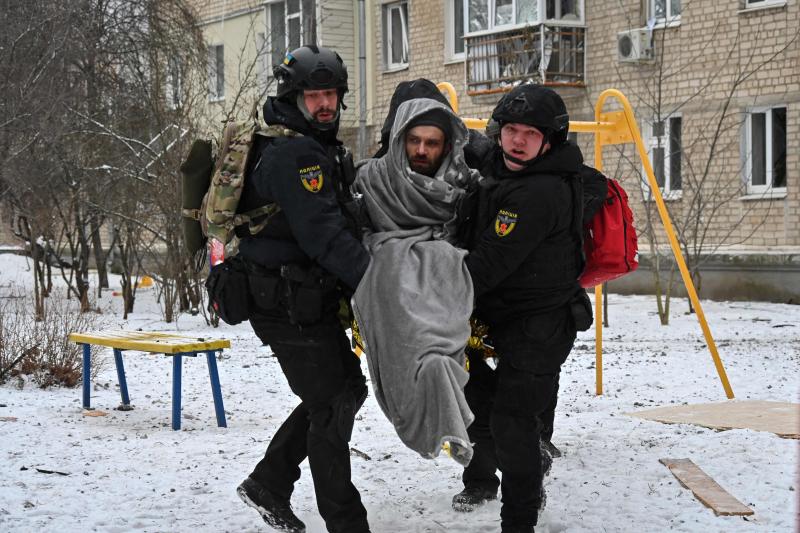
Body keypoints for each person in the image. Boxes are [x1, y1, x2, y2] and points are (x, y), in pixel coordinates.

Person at [233, 45, 371, 533]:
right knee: (333, 402)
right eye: (314, 95)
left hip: (302, 296)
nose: (325, 103)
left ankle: (269, 482)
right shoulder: (295, 154)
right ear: (294, 97)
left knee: (341, 392)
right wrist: (376, 283)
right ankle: (346, 523)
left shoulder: (315, 144)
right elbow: (324, 236)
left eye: (331, 93)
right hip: (283, 300)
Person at [453, 84, 594, 533]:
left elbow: (486, 266)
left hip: (541, 323)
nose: (516, 140)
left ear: (549, 139)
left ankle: (520, 519)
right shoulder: (509, 166)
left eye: (528, 133)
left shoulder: (540, 192)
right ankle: (527, 459)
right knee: (478, 402)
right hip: (501, 316)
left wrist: (420, 292)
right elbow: (482, 155)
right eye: (509, 129)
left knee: (512, 423)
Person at [351, 98, 480, 467]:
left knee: (445, 358)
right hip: (390, 282)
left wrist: (440, 253)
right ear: (400, 139)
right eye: (414, 140)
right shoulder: (372, 179)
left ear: (447, 146)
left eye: (432, 143)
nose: (421, 150)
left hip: (444, 286)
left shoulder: (463, 185)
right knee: (408, 347)